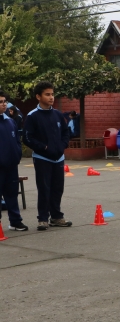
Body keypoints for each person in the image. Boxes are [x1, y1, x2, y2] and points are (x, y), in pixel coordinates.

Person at [22, 81, 71, 231]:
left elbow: (66, 132)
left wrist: (62, 146)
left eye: (52, 94)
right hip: (42, 158)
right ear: (38, 96)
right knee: (44, 189)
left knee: (58, 188)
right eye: (47, 94)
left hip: (59, 158)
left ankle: (56, 217)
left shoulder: (57, 114)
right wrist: (44, 148)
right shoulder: (32, 116)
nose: (51, 97)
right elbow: (27, 138)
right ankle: (42, 219)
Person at [0, 90, 27, 231]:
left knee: (12, 194)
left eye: (4, 101)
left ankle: (15, 221)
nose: (4, 104)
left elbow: (17, 140)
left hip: (11, 166)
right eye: (0, 102)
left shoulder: (10, 121)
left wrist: (17, 155)